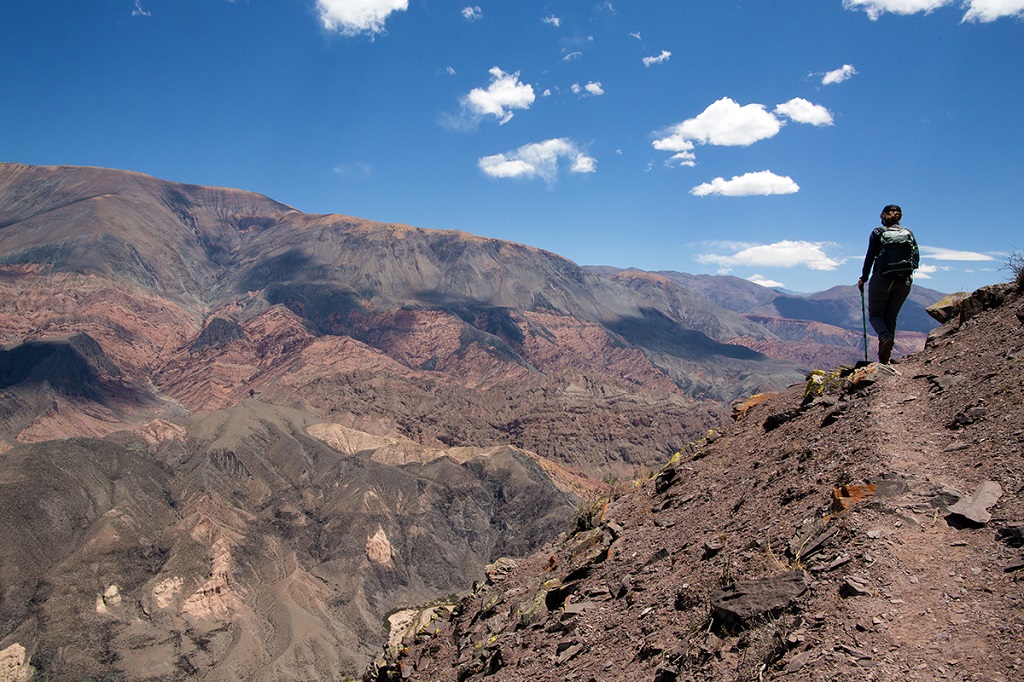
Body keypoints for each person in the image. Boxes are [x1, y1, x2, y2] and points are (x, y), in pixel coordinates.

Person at [857, 204, 920, 364]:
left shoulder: (878, 233)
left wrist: (864, 277)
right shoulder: (908, 233)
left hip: (882, 279)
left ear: (883, 215)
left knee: (876, 316)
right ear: (900, 216)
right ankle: (885, 359)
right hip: (904, 281)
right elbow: (916, 258)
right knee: (891, 317)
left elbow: (870, 257)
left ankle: (884, 337)